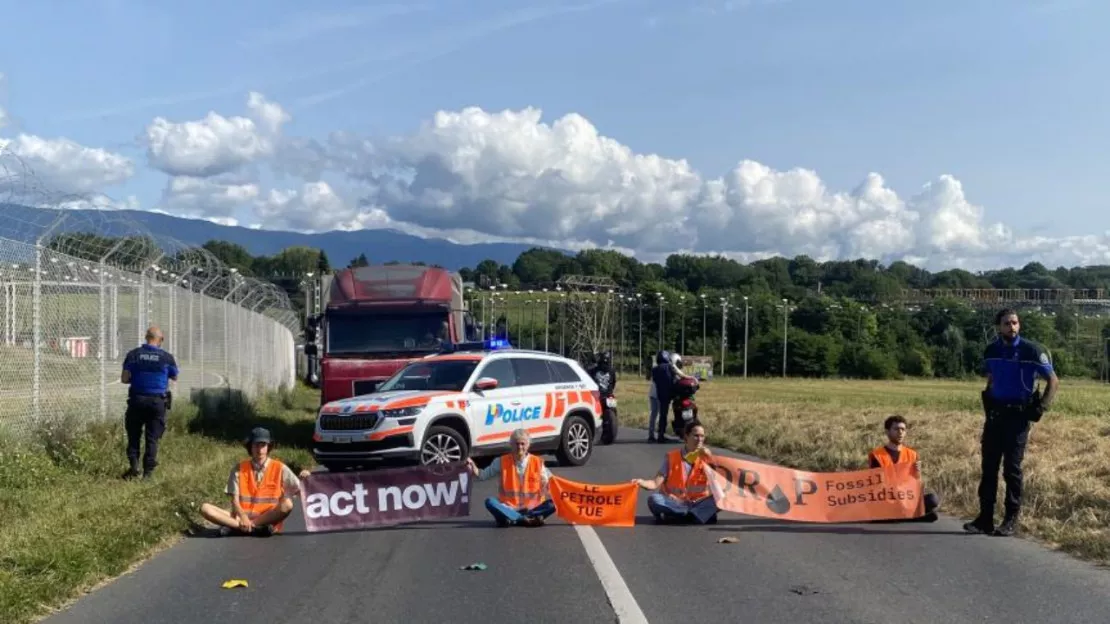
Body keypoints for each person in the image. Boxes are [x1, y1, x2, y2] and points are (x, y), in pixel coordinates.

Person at [965, 308, 1059, 537]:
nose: (1012, 327)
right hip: (996, 416)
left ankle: (1010, 519)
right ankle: (985, 518)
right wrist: (988, 397)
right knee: (989, 468)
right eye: (1007, 323)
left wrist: (1041, 407)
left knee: (1012, 469)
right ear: (999, 326)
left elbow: (1053, 380)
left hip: (1018, 416)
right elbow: (992, 377)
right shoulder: (991, 351)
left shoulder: (1032, 351)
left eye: (1015, 322)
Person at [199, 427, 311, 537]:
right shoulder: (239, 469)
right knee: (205, 508)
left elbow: (300, 492)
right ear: (250, 447)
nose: (260, 449)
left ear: (268, 447)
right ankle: (252, 529)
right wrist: (243, 517)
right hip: (241, 518)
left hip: (267, 518)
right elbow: (235, 501)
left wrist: (305, 479)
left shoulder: (280, 468)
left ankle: (241, 527)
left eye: (263, 445)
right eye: (256, 445)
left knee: (287, 504)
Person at [120, 326, 179, 479]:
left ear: (146, 337)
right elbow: (174, 377)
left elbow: (124, 379)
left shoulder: (133, 355)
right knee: (152, 438)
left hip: (137, 400)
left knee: (134, 435)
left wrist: (138, 379)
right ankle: (148, 473)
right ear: (161, 340)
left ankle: (134, 467)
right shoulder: (167, 358)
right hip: (157, 402)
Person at [632, 421, 719, 524]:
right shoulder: (672, 457)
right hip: (676, 503)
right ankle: (695, 515)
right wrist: (641, 482)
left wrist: (710, 459)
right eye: (696, 436)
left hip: (698, 503)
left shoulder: (706, 458)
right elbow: (655, 483)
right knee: (654, 499)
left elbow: (720, 482)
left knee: (721, 499)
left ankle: (683, 515)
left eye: (702, 436)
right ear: (686, 437)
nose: (700, 439)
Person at [465, 428, 556, 527]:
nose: (520, 447)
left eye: (522, 444)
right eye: (517, 444)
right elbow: (482, 475)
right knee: (490, 502)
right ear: (511, 445)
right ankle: (523, 519)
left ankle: (514, 519)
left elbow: (553, 484)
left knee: (555, 503)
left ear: (528, 445)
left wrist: (547, 486)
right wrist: (472, 466)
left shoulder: (538, 462)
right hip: (509, 508)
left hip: (532, 509)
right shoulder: (501, 461)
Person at [867, 415, 939, 523]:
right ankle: (912, 516)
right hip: (887, 498)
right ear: (887, 432)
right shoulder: (877, 455)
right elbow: (875, 485)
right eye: (896, 429)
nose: (900, 432)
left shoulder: (912, 454)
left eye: (903, 429)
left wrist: (918, 473)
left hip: (906, 498)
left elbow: (915, 484)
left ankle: (900, 516)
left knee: (932, 499)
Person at [650, 350, 675, 443]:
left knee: (653, 415)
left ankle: (651, 435)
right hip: (663, 395)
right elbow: (674, 379)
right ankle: (661, 434)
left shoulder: (655, 369)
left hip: (653, 394)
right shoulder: (669, 367)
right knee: (663, 415)